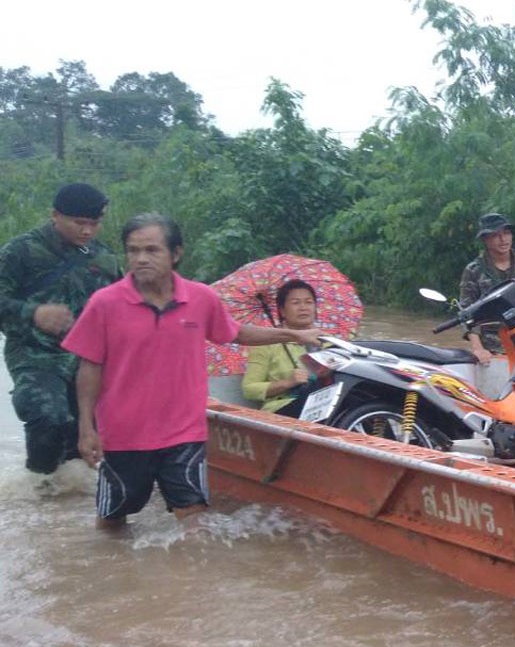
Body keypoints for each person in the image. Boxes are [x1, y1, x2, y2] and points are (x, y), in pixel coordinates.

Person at [62, 215, 324, 528]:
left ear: (176, 254)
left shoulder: (201, 298)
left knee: (194, 520)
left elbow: (236, 333)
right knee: (113, 521)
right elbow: (89, 366)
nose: (141, 259)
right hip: (123, 434)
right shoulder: (105, 303)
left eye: (151, 250)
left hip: (184, 432)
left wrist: (294, 334)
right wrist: (86, 427)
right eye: (133, 251)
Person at [0, 183, 121, 495]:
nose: (87, 231)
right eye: (79, 223)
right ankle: (35, 493)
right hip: (34, 353)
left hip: (87, 361)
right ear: (55, 215)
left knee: (81, 439)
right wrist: (32, 312)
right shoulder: (21, 251)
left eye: (94, 224)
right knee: (49, 417)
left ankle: (68, 511)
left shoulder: (104, 257)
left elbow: (124, 305)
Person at [459, 212, 515, 397]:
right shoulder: (473, 270)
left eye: (506, 233)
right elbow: (467, 315)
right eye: (496, 235)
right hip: (492, 347)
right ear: (485, 239)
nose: (503, 239)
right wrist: (477, 348)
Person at [241, 279, 319, 417]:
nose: (303, 308)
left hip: (322, 403)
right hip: (282, 409)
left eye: (309, 302)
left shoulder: (328, 342)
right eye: (295, 303)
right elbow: (249, 389)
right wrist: (289, 382)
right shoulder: (266, 344)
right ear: (282, 310)